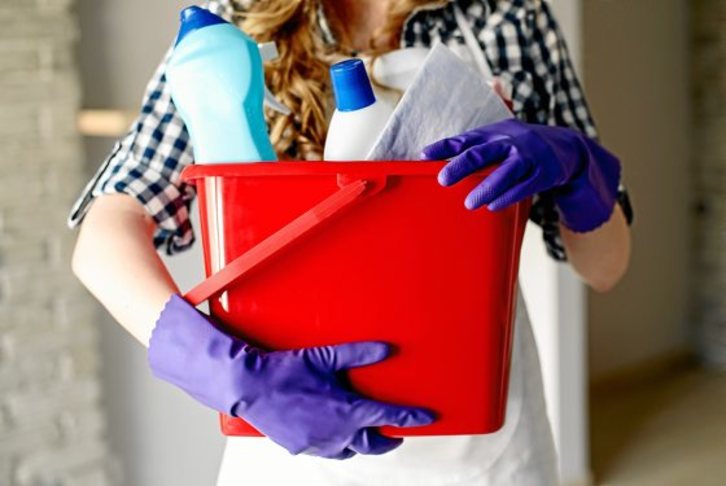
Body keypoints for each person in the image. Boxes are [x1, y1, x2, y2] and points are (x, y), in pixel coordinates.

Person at [69, 0, 633, 484]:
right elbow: (105, 234)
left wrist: (577, 167)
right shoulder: (234, 17)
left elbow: (605, 267)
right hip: (291, 433)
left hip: (482, 451)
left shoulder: (505, 14)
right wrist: (219, 369)